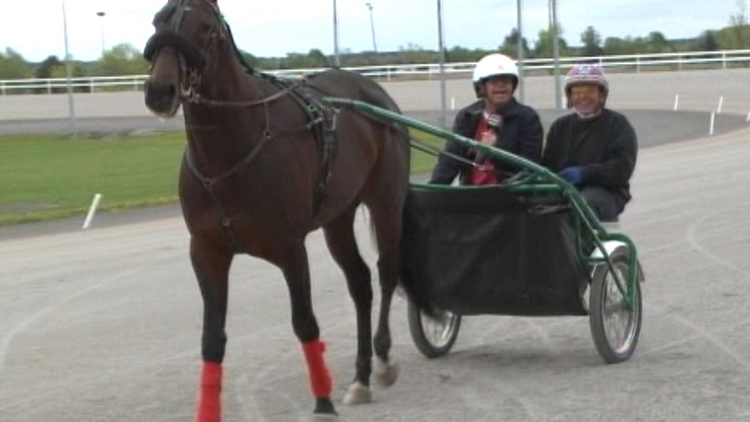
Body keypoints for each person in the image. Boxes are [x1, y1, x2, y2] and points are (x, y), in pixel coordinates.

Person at [429, 53, 543, 185]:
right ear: (481, 87)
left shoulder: (527, 117)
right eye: (494, 82)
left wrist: (493, 151)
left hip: (512, 195)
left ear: (513, 85)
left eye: (506, 81)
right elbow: (449, 161)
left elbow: (530, 167)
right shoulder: (467, 116)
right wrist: (432, 191)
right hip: (471, 195)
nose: (501, 86)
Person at [542, 64, 638, 221]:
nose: (582, 97)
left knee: (584, 202)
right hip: (566, 190)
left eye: (589, 91)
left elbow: (622, 169)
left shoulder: (618, 124)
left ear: (601, 95)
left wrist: (584, 174)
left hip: (607, 192)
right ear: (570, 97)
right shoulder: (560, 126)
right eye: (577, 92)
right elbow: (548, 164)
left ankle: (582, 244)